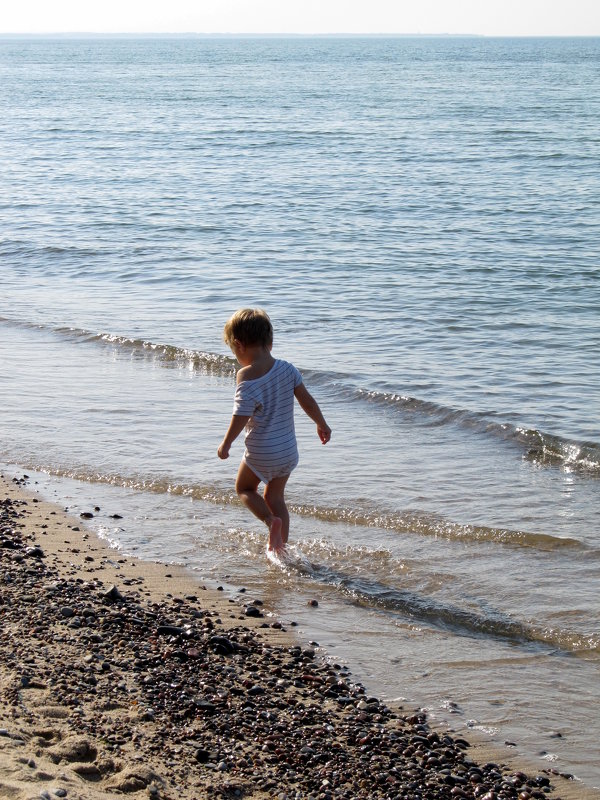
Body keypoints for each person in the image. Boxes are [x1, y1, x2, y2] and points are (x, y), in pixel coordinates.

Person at [217, 308, 331, 552]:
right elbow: (307, 400)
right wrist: (321, 423)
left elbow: (241, 414)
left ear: (238, 345)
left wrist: (226, 443)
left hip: (262, 449)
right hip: (287, 450)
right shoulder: (288, 368)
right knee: (276, 498)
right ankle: (281, 549)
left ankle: (271, 522)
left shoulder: (246, 375)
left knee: (244, 488)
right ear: (270, 341)